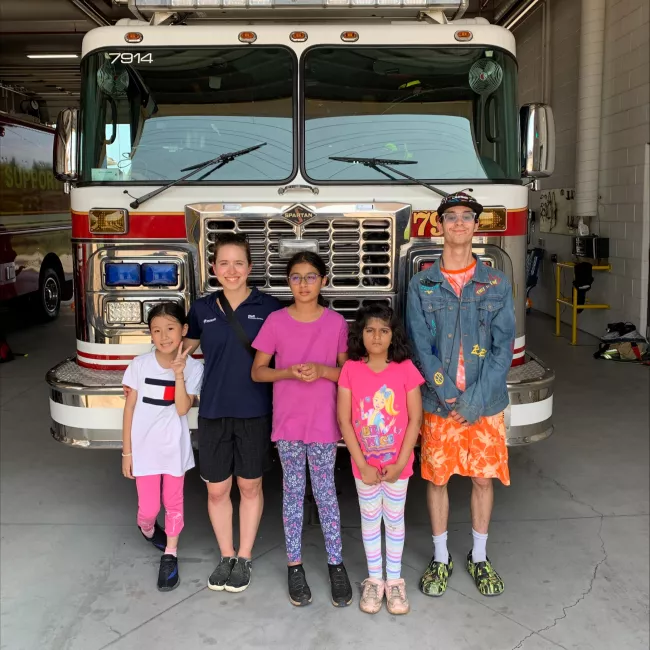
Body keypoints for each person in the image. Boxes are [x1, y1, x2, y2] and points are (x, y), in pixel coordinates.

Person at [406, 191, 515, 598]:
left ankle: (479, 557)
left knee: (483, 480)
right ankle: (440, 557)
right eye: (450, 216)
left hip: (484, 405)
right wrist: (450, 394)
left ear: (475, 225)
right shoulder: (423, 284)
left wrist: (472, 400)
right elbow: (419, 344)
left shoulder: (496, 283)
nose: (458, 223)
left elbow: (504, 348)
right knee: (437, 480)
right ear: (439, 225)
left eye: (466, 216)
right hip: (439, 403)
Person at [251, 252, 352, 608]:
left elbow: (347, 373)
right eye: (296, 277)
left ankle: (335, 564)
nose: (304, 284)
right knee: (293, 495)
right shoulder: (276, 321)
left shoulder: (337, 323)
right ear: (288, 282)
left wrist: (323, 371)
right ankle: (295, 565)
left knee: (326, 495)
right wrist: (288, 372)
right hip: (289, 424)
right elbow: (258, 371)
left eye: (311, 277)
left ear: (323, 280)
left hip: (324, 421)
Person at [184, 233, 281, 593]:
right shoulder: (202, 309)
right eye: (223, 263)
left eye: (238, 262)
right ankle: (225, 556)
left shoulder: (269, 307)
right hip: (212, 410)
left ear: (250, 267)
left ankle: (244, 556)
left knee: (250, 485)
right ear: (213, 268)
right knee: (217, 489)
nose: (231, 270)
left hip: (255, 410)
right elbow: (182, 348)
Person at [337, 304, 424, 615]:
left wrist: (401, 463)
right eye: (370, 330)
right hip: (366, 468)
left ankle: (395, 581)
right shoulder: (350, 370)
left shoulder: (405, 369)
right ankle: (375, 580)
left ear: (393, 336)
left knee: (395, 521)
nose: (376, 336)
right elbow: (345, 420)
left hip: (397, 465)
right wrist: (361, 464)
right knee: (371, 521)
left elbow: (415, 419)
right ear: (361, 334)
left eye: (384, 330)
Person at [122, 302, 204, 592]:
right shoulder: (139, 365)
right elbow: (129, 409)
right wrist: (127, 452)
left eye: (170, 328)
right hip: (143, 451)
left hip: (174, 450)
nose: (164, 336)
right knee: (148, 509)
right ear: (150, 334)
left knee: (173, 504)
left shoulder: (194, 368)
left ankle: (171, 552)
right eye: (156, 330)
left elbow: (182, 408)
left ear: (183, 330)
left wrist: (179, 373)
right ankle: (146, 528)